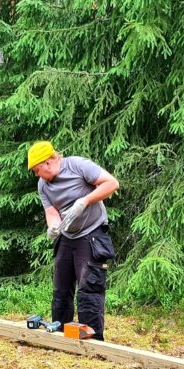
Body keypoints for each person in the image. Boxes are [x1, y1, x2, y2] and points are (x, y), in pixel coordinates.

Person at [28, 141, 120, 341]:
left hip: (92, 233)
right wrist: (52, 227)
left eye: (37, 169)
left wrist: (84, 201)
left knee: (89, 288)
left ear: (49, 162)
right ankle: (60, 336)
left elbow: (112, 183)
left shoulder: (78, 165)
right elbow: (51, 212)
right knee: (61, 289)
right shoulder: (43, 185)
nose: (37, 174)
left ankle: (92, 342)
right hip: (67, 236)